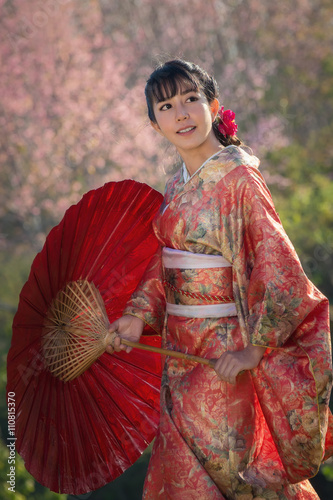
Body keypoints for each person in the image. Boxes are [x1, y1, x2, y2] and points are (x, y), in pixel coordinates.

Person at [107, 59, 333, 499]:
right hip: (179, 355)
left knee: (234, 473)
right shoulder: (175, 188)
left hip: (223, 356)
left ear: (213, 105)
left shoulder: (241, 178)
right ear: (155, 125)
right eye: (167, 106)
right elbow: (164, 264)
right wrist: (137, 316)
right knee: (182, 473)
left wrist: (256, 348)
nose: (181, 113)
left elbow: (278, 264)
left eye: (191, 99)